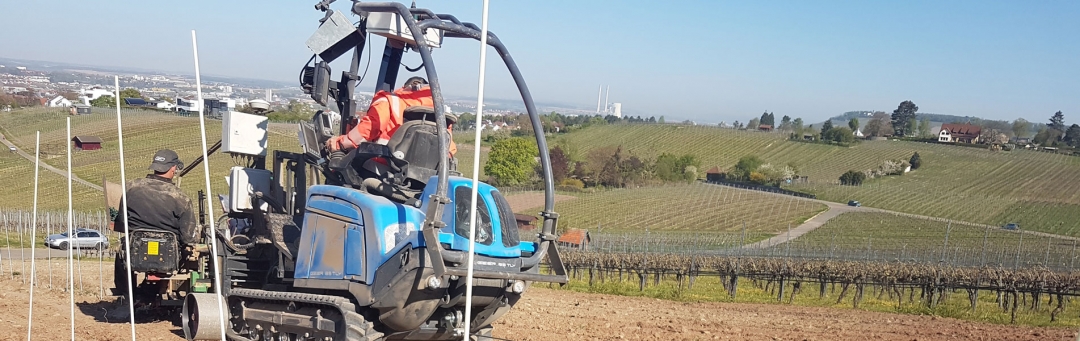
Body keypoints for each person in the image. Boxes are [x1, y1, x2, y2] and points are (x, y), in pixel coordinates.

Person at [325, 76, 457, 157]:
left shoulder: (390, 101)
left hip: (385, 168)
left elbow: (369, 128)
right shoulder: (441, 115)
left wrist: (340, 144)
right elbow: (450, 150)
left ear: (406, 87)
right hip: (427, 178)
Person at [113, 149, 198, 246]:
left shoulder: (131, 187)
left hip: (134, 247)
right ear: (174, 168)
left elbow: (121, 221)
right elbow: (188, 238)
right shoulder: (182, 198)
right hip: (169, 250)